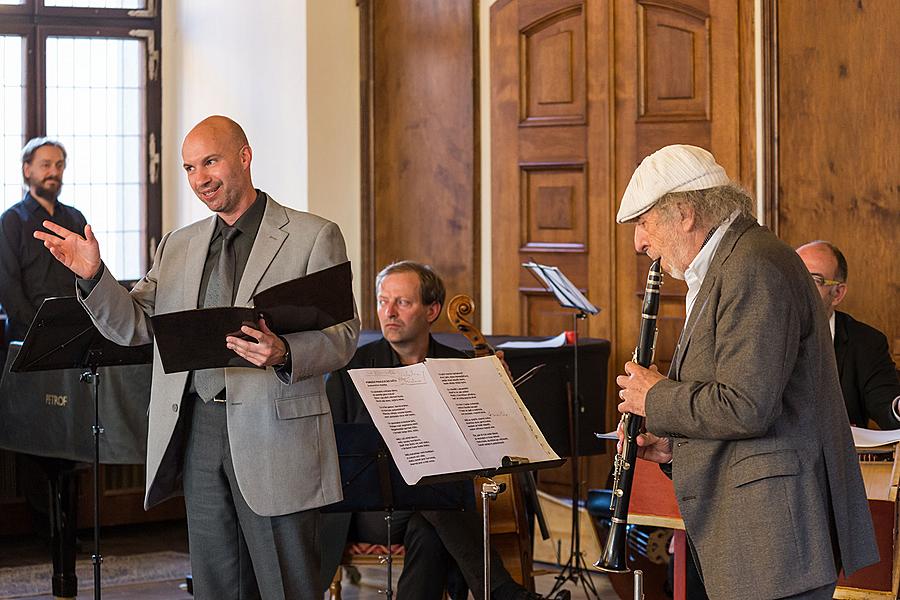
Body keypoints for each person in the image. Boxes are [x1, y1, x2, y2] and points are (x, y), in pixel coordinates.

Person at [34, 115, 360, 599]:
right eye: (189, 168)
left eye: (211, 162)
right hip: (198, 433)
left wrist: (285, 350)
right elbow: (136, 325)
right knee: (216, 587)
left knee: (286, 588)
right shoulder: (178, 245)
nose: (200, 178)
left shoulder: (313, 235)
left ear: (244, 157)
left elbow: (344, 335)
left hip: (277, 434)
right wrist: (94, 276)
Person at [613, 145, 878, 599]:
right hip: (759, 540)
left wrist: (654, 397)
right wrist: (675, 447)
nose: (640, 243)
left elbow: (747, 405)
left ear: (685, 213)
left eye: (643, 222)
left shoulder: (753, 265)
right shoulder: (730, 263)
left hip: (773, 542)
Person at [323, 260, 568, 600]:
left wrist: (501, 391)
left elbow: (500, 438)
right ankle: (502, 592)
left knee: (430, 527)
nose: (388, 312)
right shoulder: (350, 370)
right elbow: (334, 451)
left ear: (432, 310)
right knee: (440, 496)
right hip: (375, 507)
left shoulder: (461, 367)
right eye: (382, 301)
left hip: (437, 507)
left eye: (403, 302)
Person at [796, 240, 900, 429]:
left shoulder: (866, 342)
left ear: (838, 294)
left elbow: (886, 406)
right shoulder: (761, 335)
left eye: (814, 281)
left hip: (840, 455)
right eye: (793, 276)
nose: (798, 288)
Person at [0, 137, 86, 346]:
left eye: (59, 165)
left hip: (75, 331)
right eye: (45, 165)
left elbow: (87, 276)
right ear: (27, 170)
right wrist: (40, 330)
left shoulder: (75, 218)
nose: (54, 172)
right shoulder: (11, 220)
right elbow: (8, 287)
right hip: (28, 337)